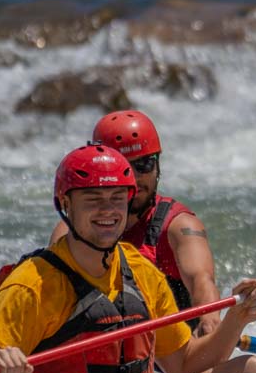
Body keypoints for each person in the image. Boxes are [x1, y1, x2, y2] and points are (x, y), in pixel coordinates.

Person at [0, 143, 256, 373]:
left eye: (116, 199)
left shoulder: (141, 271)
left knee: (253, 368)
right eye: (93, 200)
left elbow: (184, 366)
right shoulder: (31, 284)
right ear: (65, 204)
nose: (108, 211)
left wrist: (237, 320)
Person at [50, 109, 221, 335]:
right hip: (99, 352)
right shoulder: (72, 229)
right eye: (124, 167)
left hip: (172, 353)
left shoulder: (178, 226)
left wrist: (209, 320)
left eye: (144, 165)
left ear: (158, 166)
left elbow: (201, 279)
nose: (136, 177)